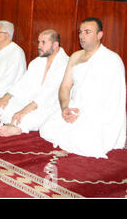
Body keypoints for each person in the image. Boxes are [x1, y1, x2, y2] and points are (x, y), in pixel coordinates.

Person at [39, 18, 126, 158]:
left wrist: (83, 113)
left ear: (99, 35)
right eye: (80, 32)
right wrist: (65, 109)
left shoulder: (112, 60)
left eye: (87, 32)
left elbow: (114, 100)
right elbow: (65, 86)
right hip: (74, 107)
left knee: (85, 141)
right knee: (46, 128)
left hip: (97, 113)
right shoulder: (75, 56)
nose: (81, 36)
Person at [0, 29, 69, 136]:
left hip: (50, 103)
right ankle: (14, 123)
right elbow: (23, 82)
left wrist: (24, 111)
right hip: (31, 99)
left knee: (36, 116)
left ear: (55, 45)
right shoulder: (37, 62)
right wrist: (6, 97)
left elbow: (48, 95)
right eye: (39, 42)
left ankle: (18, 127)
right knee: (4, 106)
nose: (39, 46)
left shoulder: (65, 64)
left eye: (43, 42)